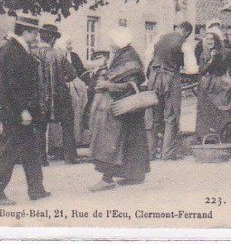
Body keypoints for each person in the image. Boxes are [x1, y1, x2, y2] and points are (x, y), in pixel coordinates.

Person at [0, 16, 50, 205]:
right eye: (34, 32)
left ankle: (36, 189)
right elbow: (13, 85)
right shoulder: (13, 50)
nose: (37, 35)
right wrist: (23, 110)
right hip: (16, 112)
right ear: (25, 32)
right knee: (9, 152)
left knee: (31, 150)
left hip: (20, 111)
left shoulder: (18, 49)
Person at [89, 27, 150, 190]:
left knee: (111, 142)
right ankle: (134, 175)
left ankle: (106, 179)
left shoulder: (129, 59)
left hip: (123, 108)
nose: (110, 44)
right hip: (127, 110)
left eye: (112, 41)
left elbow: (131, 85)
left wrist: (109, 85)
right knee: (131, 142)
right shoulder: (125, 55)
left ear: (118, 42)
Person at [148, 19, 193, 160]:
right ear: (186, 32)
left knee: (154, 116)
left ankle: (150, 153)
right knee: (171, 116)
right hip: (170, 77)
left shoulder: (160, 38)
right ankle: (167, 153)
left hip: (154, 77)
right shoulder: (184, 43)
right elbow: (191, 69)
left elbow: (148, 56)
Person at [36, 23, 80, 164]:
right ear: (53, 39)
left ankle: (41, 159)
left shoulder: (33, 53)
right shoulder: (59, 54)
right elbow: (72, 74)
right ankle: (70, 157)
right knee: (67, 125)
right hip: (60, 95)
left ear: (41, 37)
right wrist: (61, 78)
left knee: (40, 127)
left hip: (40, 95)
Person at [195, 31, 231, 139]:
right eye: (207, 39)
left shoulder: (227, 53)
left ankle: (225, 137)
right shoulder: (204, 54)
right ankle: (209, 138)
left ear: (216, 40)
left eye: (212, 39)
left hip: (222, 85)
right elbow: (202, 71)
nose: (209, 41)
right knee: (207, 112)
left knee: (223, 110)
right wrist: (211, 60)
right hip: (208, 85)